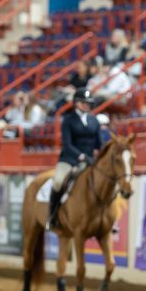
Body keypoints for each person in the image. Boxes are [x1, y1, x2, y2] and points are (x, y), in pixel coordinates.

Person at [47, 88, 102, 230]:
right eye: (84, 102)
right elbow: (67, 144)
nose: (87, 105)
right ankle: (52, 216)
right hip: (69, 160)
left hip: (89, 161)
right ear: (76, 103)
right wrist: (81, 156)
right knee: (58, 182)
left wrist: (98, 155)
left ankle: (107, 219)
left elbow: (99, 143)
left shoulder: (94, 120)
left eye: (89, 103)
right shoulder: (68, 120)